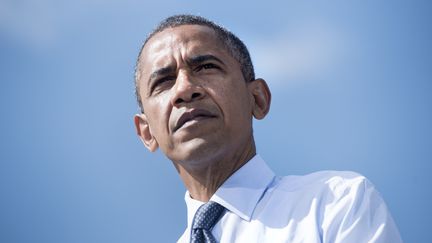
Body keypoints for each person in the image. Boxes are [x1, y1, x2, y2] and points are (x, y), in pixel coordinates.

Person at [133, 14, 402, 243]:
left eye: (205, 67)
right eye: (164, 82)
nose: (184, 89)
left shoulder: (335, 204)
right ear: (146, 132)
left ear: (258, 99)